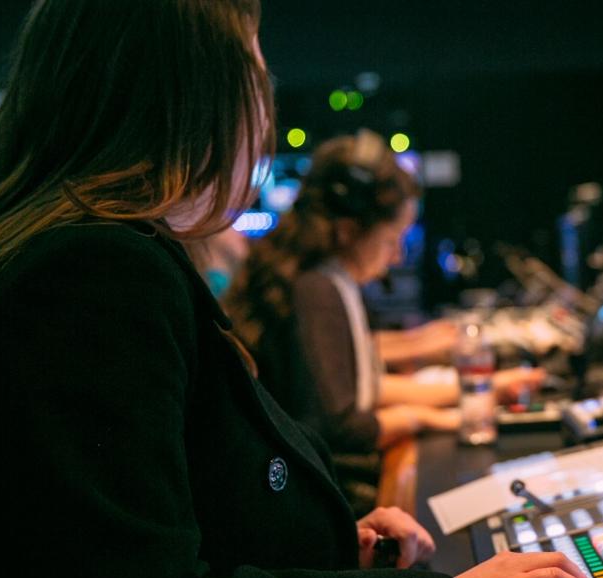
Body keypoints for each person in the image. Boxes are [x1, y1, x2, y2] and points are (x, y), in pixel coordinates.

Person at [0, 1, 591, 578]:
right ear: (194, 93)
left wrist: (324, 549)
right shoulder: (93, 275)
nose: (265, 101)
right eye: (255, 68)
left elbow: (146, 533)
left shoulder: (74, 258)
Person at [226, 131, 543, 460]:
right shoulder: (317, 288)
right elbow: (341, 427)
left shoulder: (324, 279)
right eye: (391, 241)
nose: (397, 257)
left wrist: (486, 389)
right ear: (347, 230)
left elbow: (363, 390)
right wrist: (428, 418)